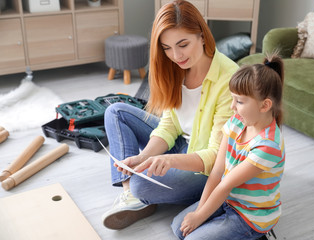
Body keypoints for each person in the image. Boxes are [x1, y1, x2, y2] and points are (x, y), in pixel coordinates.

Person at [101, 0, 239, 230]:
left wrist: (169, 160)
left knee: (142, 186)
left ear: (202, 35)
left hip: (203, 164)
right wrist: (142, 158)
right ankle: (131, 196)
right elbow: (169, 126)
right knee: (115, 112)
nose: (175, 55)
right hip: (179, 143)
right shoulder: (174, 68)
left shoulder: (229, 78)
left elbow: (216, 156)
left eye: (183, 44)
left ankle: (140, 194)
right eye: (166, 48)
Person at [171, 53, 286, 240]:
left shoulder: (268, 146)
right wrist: (199, 213)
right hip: (228, 200)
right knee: (179, 228)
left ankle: (256, 235)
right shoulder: (237, 121)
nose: (232, 106)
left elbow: (226, 184)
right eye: (233, 99)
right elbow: (217, 172)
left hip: (249, 216)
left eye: (239, 101)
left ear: (265, 105)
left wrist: (200, 217)